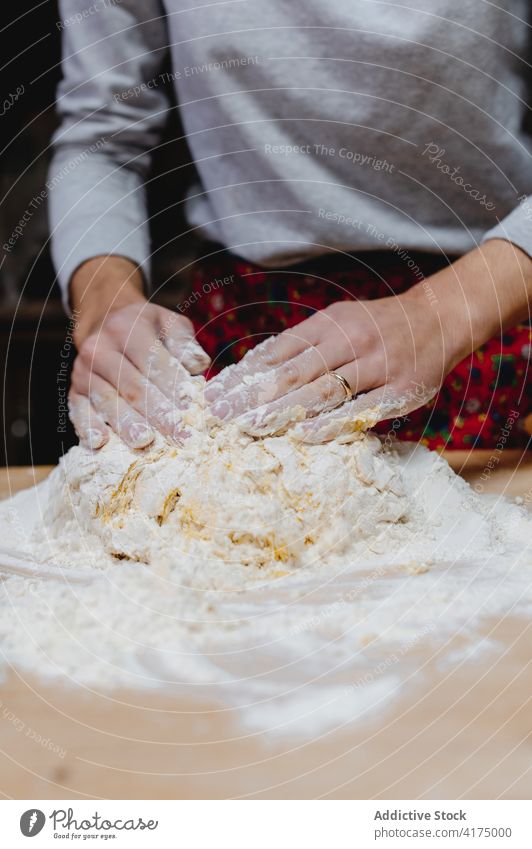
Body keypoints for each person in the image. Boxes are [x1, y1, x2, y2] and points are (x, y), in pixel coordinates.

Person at [49, 1, 532, 451]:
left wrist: (441, 314)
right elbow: (101, 141)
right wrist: (105, 305)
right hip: (248, 336)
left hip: (490, 307)